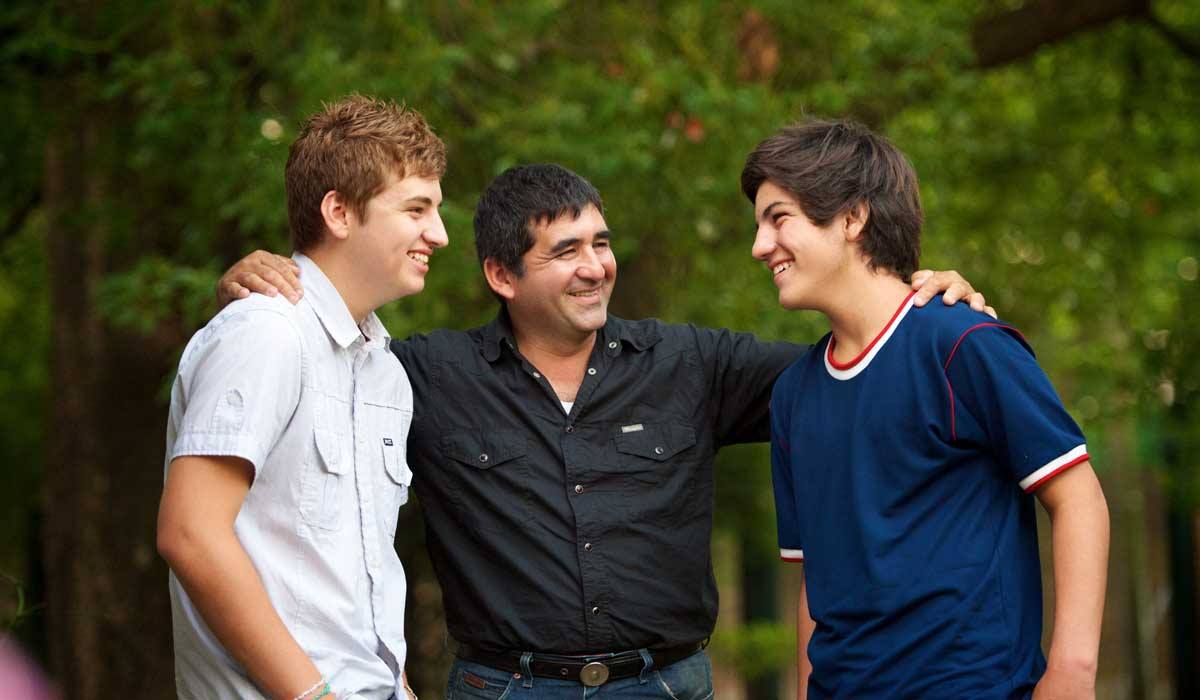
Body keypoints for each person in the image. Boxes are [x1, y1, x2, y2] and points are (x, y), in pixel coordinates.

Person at [219, 163, 989, 698]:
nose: (595, 267)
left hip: (668, 686)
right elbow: (311, 362)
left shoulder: (691, 364)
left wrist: (918, 306)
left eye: (601, 242)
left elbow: (858, 373)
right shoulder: (420, 376)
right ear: (502, 276)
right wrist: (257, 282)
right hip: (503, 690)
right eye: (566, 251)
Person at [743, 120, 1109, 699]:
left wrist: (1071, 675)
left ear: (852, 217)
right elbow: (817, 581)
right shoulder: (793, 395)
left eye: (778, 217)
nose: (760, 246)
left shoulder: (963, 345)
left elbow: (1079, 498)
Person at [157, 95, 448, 700]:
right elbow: (190, 534)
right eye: (416, 209)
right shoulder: (265, 334)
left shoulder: (386, 374)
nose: (439, 234)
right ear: (339, 212)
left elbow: (353, 576)